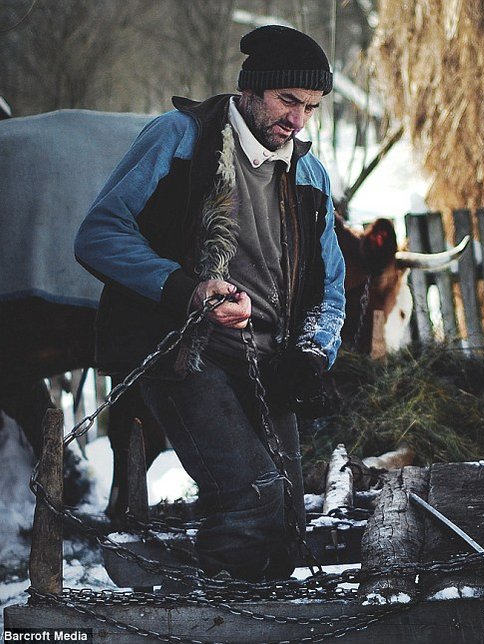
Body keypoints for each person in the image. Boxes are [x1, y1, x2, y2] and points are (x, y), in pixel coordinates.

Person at [74, 25, 345, 582]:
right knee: (252, 498)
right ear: (250, 90)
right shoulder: (178, 140)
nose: (297, 121)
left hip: (267, 362)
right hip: (185, 353)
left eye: (311, 108)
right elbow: (99, 234)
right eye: (287, 101)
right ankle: (212, 620)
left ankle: (263, 618)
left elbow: (331, 287)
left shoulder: (309, 174)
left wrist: (314, 352)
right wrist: (186, 289)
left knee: (289, 527)